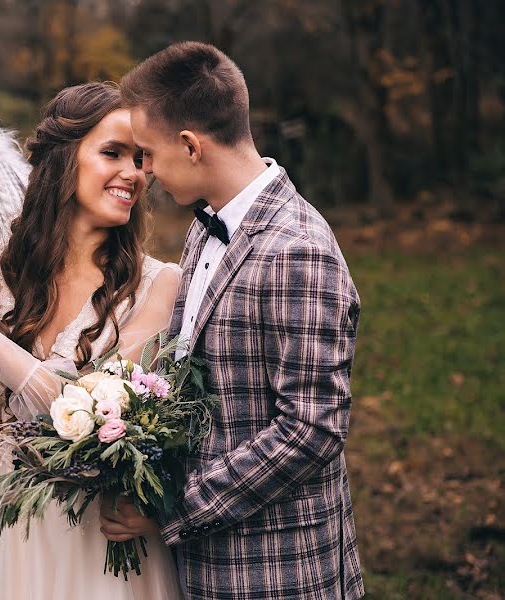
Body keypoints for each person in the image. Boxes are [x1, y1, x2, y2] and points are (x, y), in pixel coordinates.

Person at [97, 41, 366, 600]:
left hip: (277, 570)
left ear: (191, 146)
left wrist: (172, 509)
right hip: (204, 570)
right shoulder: (204, 228)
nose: (142, 172)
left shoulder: (298, 249)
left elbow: (311, 429)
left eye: (146, 153)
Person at [0, 82, 184, 599]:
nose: (133, 173)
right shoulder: (1, 275)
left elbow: (92, 407)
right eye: (112, 153)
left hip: (104, 545)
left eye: (140, 158)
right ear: (64, 162)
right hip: (14, 540)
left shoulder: (158, 287)